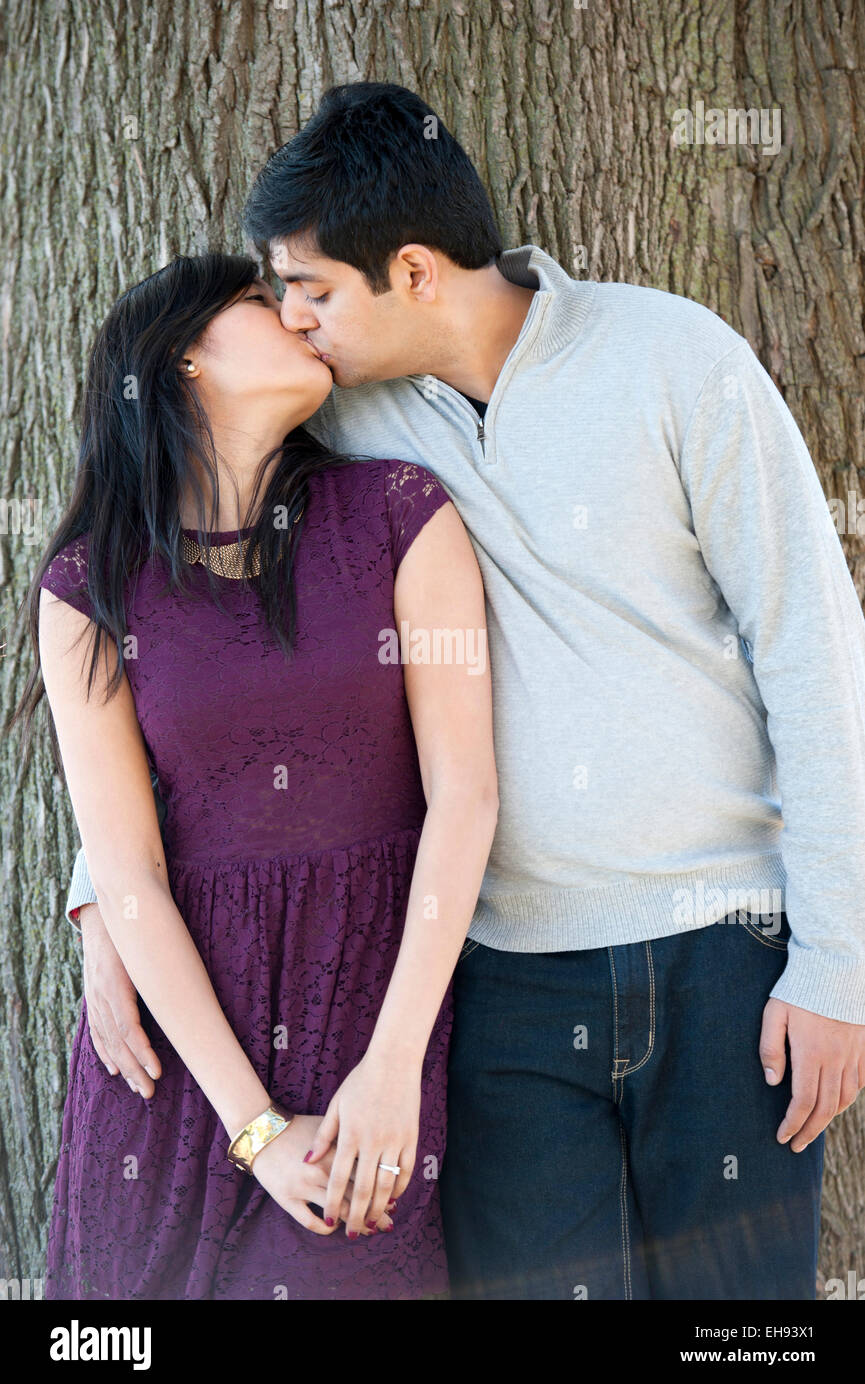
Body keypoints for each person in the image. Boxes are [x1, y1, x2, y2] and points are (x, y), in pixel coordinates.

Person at [59, 83, 865, 1300]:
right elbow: (198, 660)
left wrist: (839, 961)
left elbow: (814, 649)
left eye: (312, 292)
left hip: (724, 955)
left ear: (418, 274)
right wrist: (102, 899)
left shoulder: (675, 358)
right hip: (503, 986)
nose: (294, 321)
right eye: (276, 299)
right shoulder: (351, 422)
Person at [13, 250, 497, 1299]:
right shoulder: (89, 586)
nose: (298, 318)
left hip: (369, 1022)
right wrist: (257, 1128)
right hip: (179, 1059)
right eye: (262, 304)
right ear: (185, 354)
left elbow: (467, 798)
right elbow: (126, 870)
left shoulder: (401, 514)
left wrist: (392, 1066)